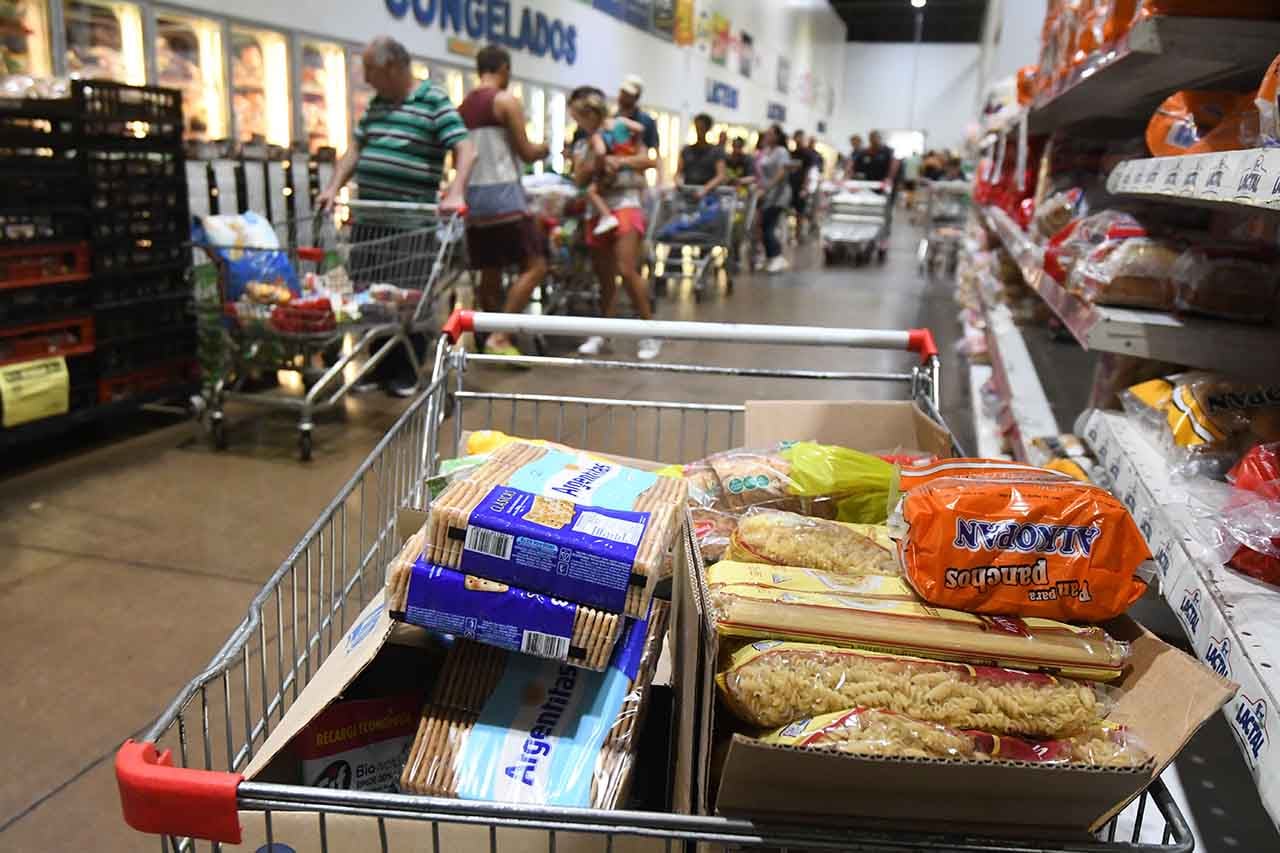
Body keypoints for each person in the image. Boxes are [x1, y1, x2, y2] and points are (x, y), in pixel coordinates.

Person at [317, 36, 474, 395]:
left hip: (410, 223)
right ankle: (377, 364)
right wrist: (333, 187)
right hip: (370, 220)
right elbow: (355, 149)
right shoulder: (377, 105)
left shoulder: (432, 99)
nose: (367, 78)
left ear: (392, 67)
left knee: (409, 299)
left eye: (371, 70)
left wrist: (456, 189)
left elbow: (465, 147)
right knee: (369, 297)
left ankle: (406, 368)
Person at [457, 44, 549, 356]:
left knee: (490, 269)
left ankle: (486, 335)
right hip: (505, 197)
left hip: (474, 200)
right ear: (505, 68)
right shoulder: (505, 101)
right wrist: (544, 149)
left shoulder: (463, 107)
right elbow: (525, 151)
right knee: (536, 264)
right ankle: (501, 333)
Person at [569, 89, 661, 360]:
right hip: (597, 211)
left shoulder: (623, 133)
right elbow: (579, 178)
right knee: (604, 277)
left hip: (625, 205)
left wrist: (618, 161)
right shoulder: (584, 143)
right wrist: (597, 163)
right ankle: (604, 329)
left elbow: (648, 159)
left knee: (627, 269)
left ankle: (649, 331)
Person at [583, 113, 646, 235]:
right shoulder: (621, 123)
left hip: (614, 169)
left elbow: (600, 152)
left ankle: (606, 216)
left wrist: (600, 164)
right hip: (629, 166)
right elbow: (640, 128)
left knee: (591, 191)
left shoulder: (598, 134)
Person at [757, 124, 793, 274]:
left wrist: (768, 187)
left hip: (779, 195)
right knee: (764, 226)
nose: (767, 136)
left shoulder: (781, 152)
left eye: (771, 134)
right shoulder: (765, 151)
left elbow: (782, 172)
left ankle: (777, 256)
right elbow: (760, 171)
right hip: (766, 195)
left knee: (769, 225)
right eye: (767, 133)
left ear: (777, 136)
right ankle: (770, 257)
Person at [616, 74, 662, 183]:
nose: (623, 97)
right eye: (623, 92)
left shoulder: (646, 121)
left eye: (627, 94)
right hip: (613, 178)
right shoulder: (613, 119)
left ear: (636, 96)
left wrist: (660, 181)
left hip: (637, 179)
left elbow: (655, 155)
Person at [676, 113, 728, 198]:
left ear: (707, 129)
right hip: (688, 194)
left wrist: (705, 189)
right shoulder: (686, 150)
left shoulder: (716, 151)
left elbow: (721, 175)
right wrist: (678, 182)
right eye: (697, 127)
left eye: (702, 128)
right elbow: (678, 173)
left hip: (709, 198)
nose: (699, 130)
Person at [788, 130, 821, 240]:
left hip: (803, 187)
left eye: (800, 137)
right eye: (796, 137)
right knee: (790, 211)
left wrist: (805, 188)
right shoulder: (793, 153)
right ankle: (791, 233)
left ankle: (799, 234)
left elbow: (810, 172)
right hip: (792, 186)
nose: (798, 140)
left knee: (800, 212)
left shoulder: (809, 154)